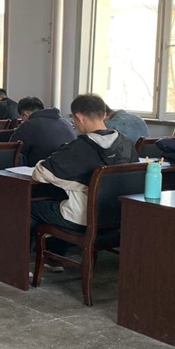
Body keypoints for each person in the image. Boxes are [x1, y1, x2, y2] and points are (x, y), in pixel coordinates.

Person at [31, 94, 136, 258]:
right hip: (118, 216)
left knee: (31, 207)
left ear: (79, 117)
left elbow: (40, 173)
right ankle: (54, 256)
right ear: (104, 114)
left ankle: (33, 259)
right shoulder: (126, 143)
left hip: (85, 218)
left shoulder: (81, 146)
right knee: (65, 199)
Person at [11, 96, 77, 167]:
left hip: (42, 169)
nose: (22, 120)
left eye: (22, 116)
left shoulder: (29, 125)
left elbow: (11, 150)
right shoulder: (65, 122)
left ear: (26, 113)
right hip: (69, 168)